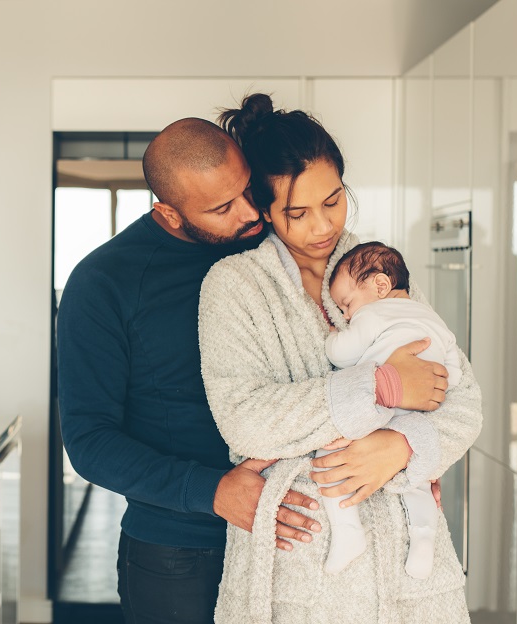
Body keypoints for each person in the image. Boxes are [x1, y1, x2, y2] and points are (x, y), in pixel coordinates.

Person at [57, 117, 450, 624]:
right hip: (181, 550)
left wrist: (410, 446)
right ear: (170, 214)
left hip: (304, 537)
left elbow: (407, 372)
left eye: (249, 190)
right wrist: (211, 491)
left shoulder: (284, 243)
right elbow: (90, 441)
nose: (251, 214)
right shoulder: (103, 283)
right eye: (223, 208)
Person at [198, 93, 482, 623]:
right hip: (300, 568)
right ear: (263, 209)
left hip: (409, 566)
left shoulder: (377, 270)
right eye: (297, 213)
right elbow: (244, 418)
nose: (322, 226)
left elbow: (462, 401)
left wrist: (401, 446)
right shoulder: (234, 287)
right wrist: (378, 389)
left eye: (333, 200)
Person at [321, 241, 464, 578]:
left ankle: (348, 532)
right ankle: (424, 540)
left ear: (380, 286)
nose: (346, 315)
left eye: (347, 304)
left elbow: (342, 355)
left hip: (379, 407)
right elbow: (453, 374)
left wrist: (331, 337)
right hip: (419, 417)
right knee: (418, 482)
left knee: (330, 452)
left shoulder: (373, 313)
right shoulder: (433, 319)